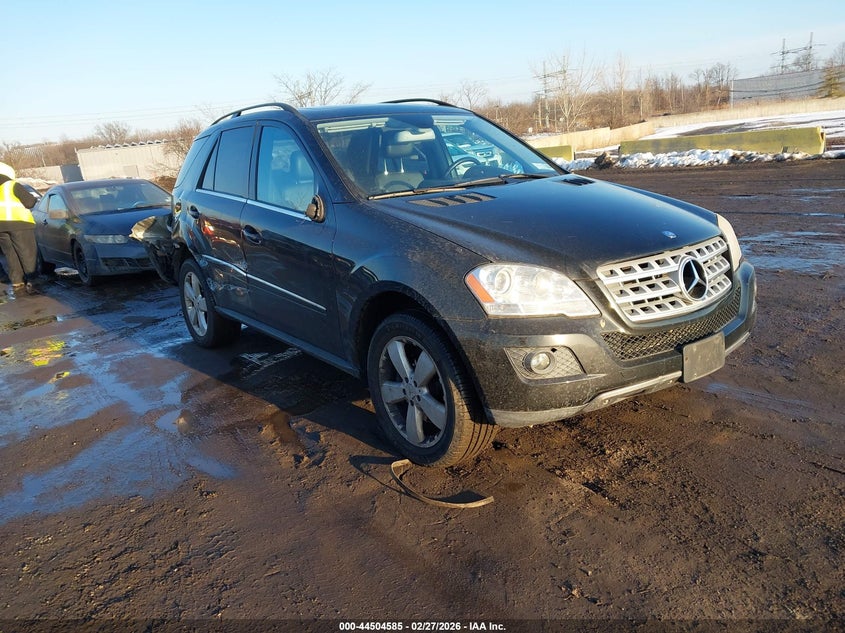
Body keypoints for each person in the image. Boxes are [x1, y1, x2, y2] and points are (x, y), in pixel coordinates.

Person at [0, 161, 39, 296]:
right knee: (27, 252)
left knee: (10, 254)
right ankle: (32, 280)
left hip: (1, 227)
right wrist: (34, 198)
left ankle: (17, 281)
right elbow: (29, 203)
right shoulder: (12, 185)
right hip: (20, 224)